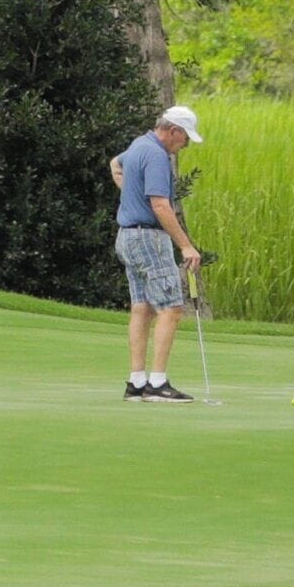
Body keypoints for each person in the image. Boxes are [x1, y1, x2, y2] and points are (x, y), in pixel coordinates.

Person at [110, 104, 207, 401]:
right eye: (185, 137)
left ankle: (136, 382)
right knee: (171, 309)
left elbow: (115, 163)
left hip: (127, 236)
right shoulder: (156, 155)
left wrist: (130, 193)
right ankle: (157, 383)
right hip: (149, 238)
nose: (186, 144)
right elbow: (161, 205)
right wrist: (186, 245)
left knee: (142, 307)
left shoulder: (139, 144)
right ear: (173, 130)